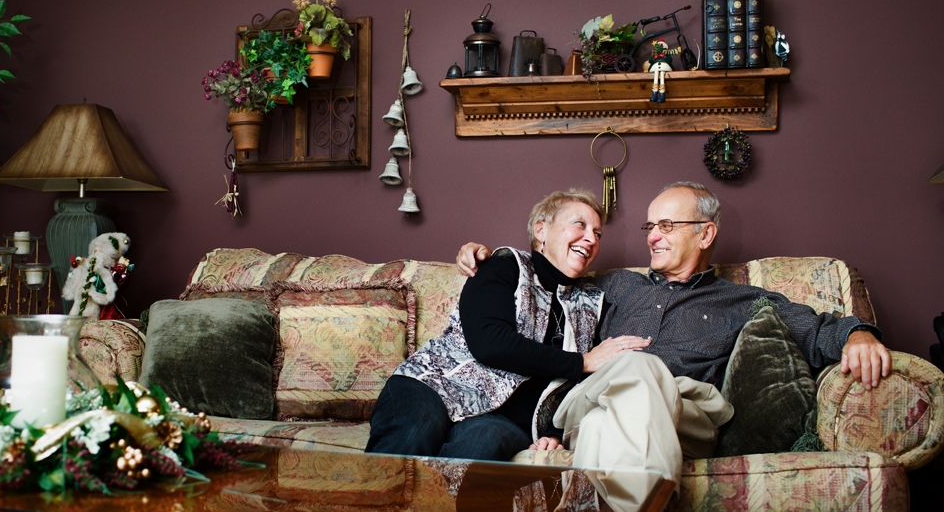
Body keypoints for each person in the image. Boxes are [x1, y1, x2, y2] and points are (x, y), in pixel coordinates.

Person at [456, 182, 890, 511]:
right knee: (628, 382)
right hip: (595, 399)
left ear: (705, 235)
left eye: (667, 225)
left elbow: (813, 328)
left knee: (624, 399)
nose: (652, 237)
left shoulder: (741, 299)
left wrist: (858, 334)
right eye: (650, 226)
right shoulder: (615, 286)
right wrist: (485, 256)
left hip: (684, 411)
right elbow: (543, 278)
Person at [365, 189, 647, 462]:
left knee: (479, 450)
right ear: (541, 231)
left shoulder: (594, 303)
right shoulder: (503, 266)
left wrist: (555, 432)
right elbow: (491, 343)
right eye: (580, 224)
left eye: (597, 234)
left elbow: (586, 386)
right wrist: (581, 361)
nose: (591, 238)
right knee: (412, 436)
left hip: (507, 421)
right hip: (433, 384)